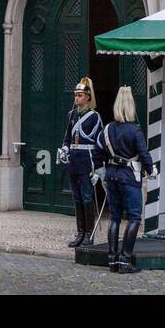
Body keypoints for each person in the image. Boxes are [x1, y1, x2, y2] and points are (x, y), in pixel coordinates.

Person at [102, 85, 154, 273]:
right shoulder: (134, 130)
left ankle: (112, 259)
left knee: (115, 217)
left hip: (111, 176)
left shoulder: (107, 129)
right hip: (129, 177)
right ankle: (125, 260)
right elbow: (144, 153)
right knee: (134, 217)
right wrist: (151, 169)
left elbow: (100, 151)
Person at [58, 76, 104, 248]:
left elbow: (98, 141)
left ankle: (88, 234)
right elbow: (67, 137)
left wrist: (98, 166)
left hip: (87, 160)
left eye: (80, 95)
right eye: (75, 95)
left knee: (86, 196)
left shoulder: (94, 117)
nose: (76, 98)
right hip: (73, 160)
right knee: (76, 197)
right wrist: (64, 149)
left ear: (87, 97)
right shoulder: (71, 115)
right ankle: (80, 232)